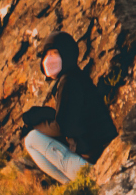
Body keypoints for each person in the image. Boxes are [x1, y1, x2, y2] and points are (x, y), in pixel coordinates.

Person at [22, 29, 118, 183]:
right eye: (46, 55)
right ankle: (77, 184)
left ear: (66, 55)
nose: (49, 59)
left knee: (32, 139)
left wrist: (37, 122)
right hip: (104, 158)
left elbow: (62, 128)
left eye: (54, 53)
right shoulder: (76, 78)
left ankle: (76, 185)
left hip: (95, 167)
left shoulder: (69, 82)